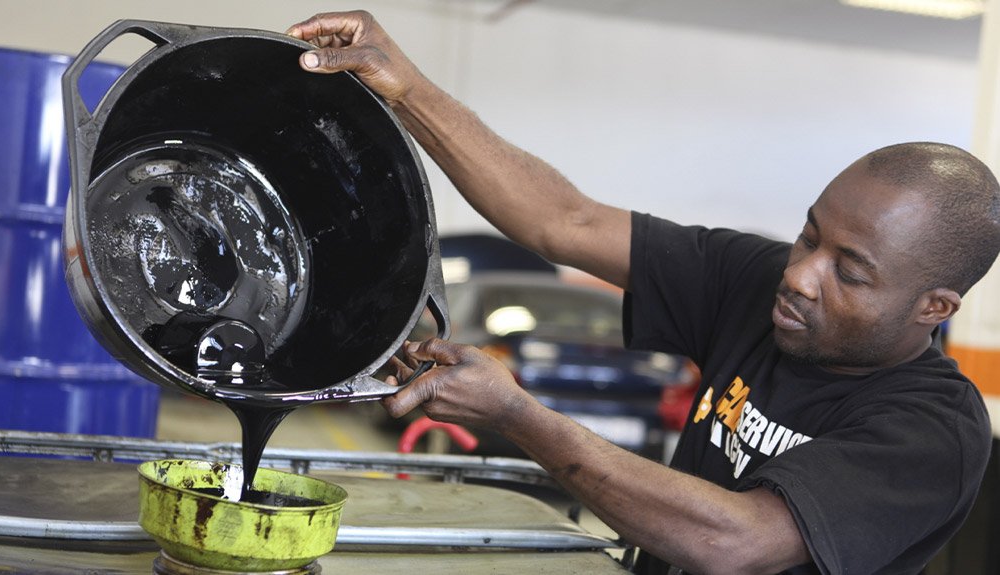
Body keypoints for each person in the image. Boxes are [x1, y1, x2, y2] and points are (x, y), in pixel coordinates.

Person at [287, 11, 1000, 575]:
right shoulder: (758, 279)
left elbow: (736, 542)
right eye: (810, 235)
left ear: (934, 306)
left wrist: (519, 414)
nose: (801, 274)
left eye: (850, 272)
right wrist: (407, 86)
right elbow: (564, 219)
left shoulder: (932, 430)